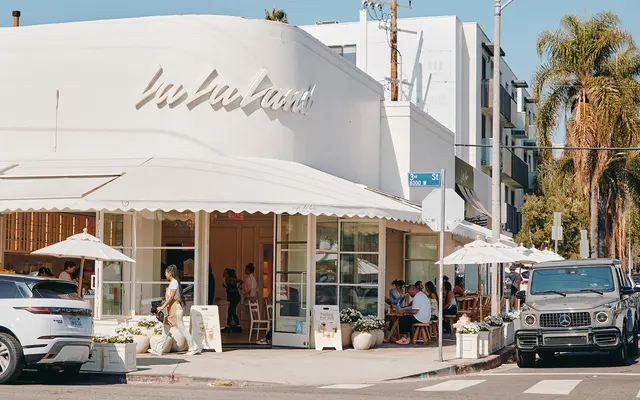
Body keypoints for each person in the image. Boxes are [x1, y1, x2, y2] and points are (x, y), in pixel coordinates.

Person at [149, 264, 201, 356]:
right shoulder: (172, 282)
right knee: (165, 328)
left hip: (175, 309)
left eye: (166, 272)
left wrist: (162, 307)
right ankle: (158, 348)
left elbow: (171, 297)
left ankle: (194, 347)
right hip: (171, 310)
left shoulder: (174, 283)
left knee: (181, 328)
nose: (165, 274)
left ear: (169, 273)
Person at [222, 268, 242, 332]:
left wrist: (237, 288)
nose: (224, 273)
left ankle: (228, 326)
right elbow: (229, 287)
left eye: (225, 272)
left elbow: (241, 281)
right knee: (232, 312)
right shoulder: (226, 279)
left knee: (230, 311)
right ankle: (238, 326)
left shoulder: (231, 279)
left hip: (235, 297)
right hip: (232, 297)